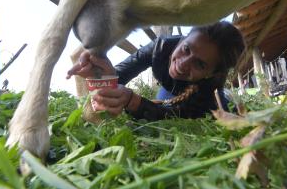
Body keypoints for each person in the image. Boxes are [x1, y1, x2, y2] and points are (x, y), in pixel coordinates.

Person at [67, 21, 245, 120]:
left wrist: (132, 101)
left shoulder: (210, 90)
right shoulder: (160, 47)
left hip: (204, 97)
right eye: (186, 49)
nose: (182, 64)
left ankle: (228, 96)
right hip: (169, 89)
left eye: (199, 64)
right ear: (183, 39)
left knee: (214, 116)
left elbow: (175, 116)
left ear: (212, 73)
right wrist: (101, 73)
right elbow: (119, 75)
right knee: (162, 101)